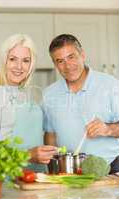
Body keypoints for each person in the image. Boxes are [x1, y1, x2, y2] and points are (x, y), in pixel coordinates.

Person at [42, 34, 119, 173]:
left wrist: (108, 129)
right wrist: (53, 170)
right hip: (68, 172)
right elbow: (50, 135)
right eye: (60, 61)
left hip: (111, 169)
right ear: (55, 64)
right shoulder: (49, 94)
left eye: (71, 57)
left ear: (82, 55)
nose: (68, 66)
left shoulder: (111, 85)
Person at [0, 34, 57, 171]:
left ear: (31, 64)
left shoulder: (26, 92)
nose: (19, 66)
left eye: (25, 60)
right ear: (4, 60)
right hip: (8, 181)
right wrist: (29, 155)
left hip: (35, 177)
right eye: (13, 59)